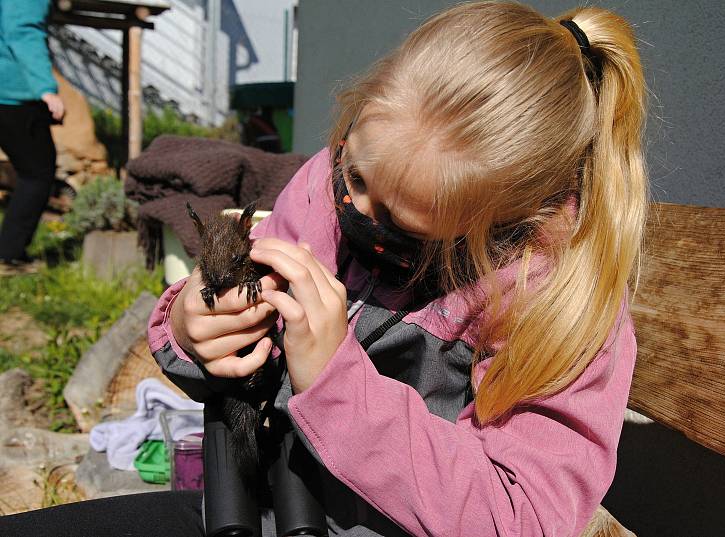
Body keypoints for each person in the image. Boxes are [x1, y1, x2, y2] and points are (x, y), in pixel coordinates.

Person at [0, 1, 646, 535]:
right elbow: (230, 326)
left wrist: (335, 383)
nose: (356, 213)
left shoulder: (554, 296)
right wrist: (193, 331)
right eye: (354, 175)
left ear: (502, 219)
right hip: (256, 501)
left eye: (403, 225)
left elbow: (524, 516)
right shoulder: (324, 185)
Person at [0, 0, 64, 274]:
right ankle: (9, 255)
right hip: (14, 93)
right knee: (37, 173)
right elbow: (22, 31)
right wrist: (46, 88)